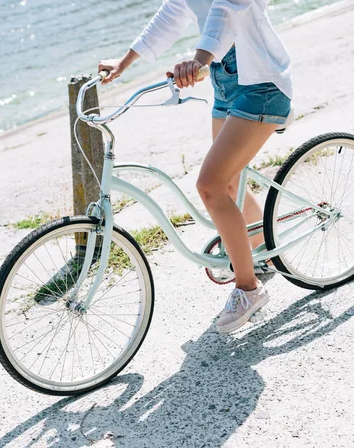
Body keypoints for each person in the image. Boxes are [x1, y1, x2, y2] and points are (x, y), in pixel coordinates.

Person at [97, 0, 292, 333]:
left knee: (210, 186)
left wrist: (199, 59)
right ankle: (263, 250)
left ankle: (249, 289)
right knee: (229, 184)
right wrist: (124, 62)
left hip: (261, 83)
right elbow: (172, 12)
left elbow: (226, 9)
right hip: (226, 81)